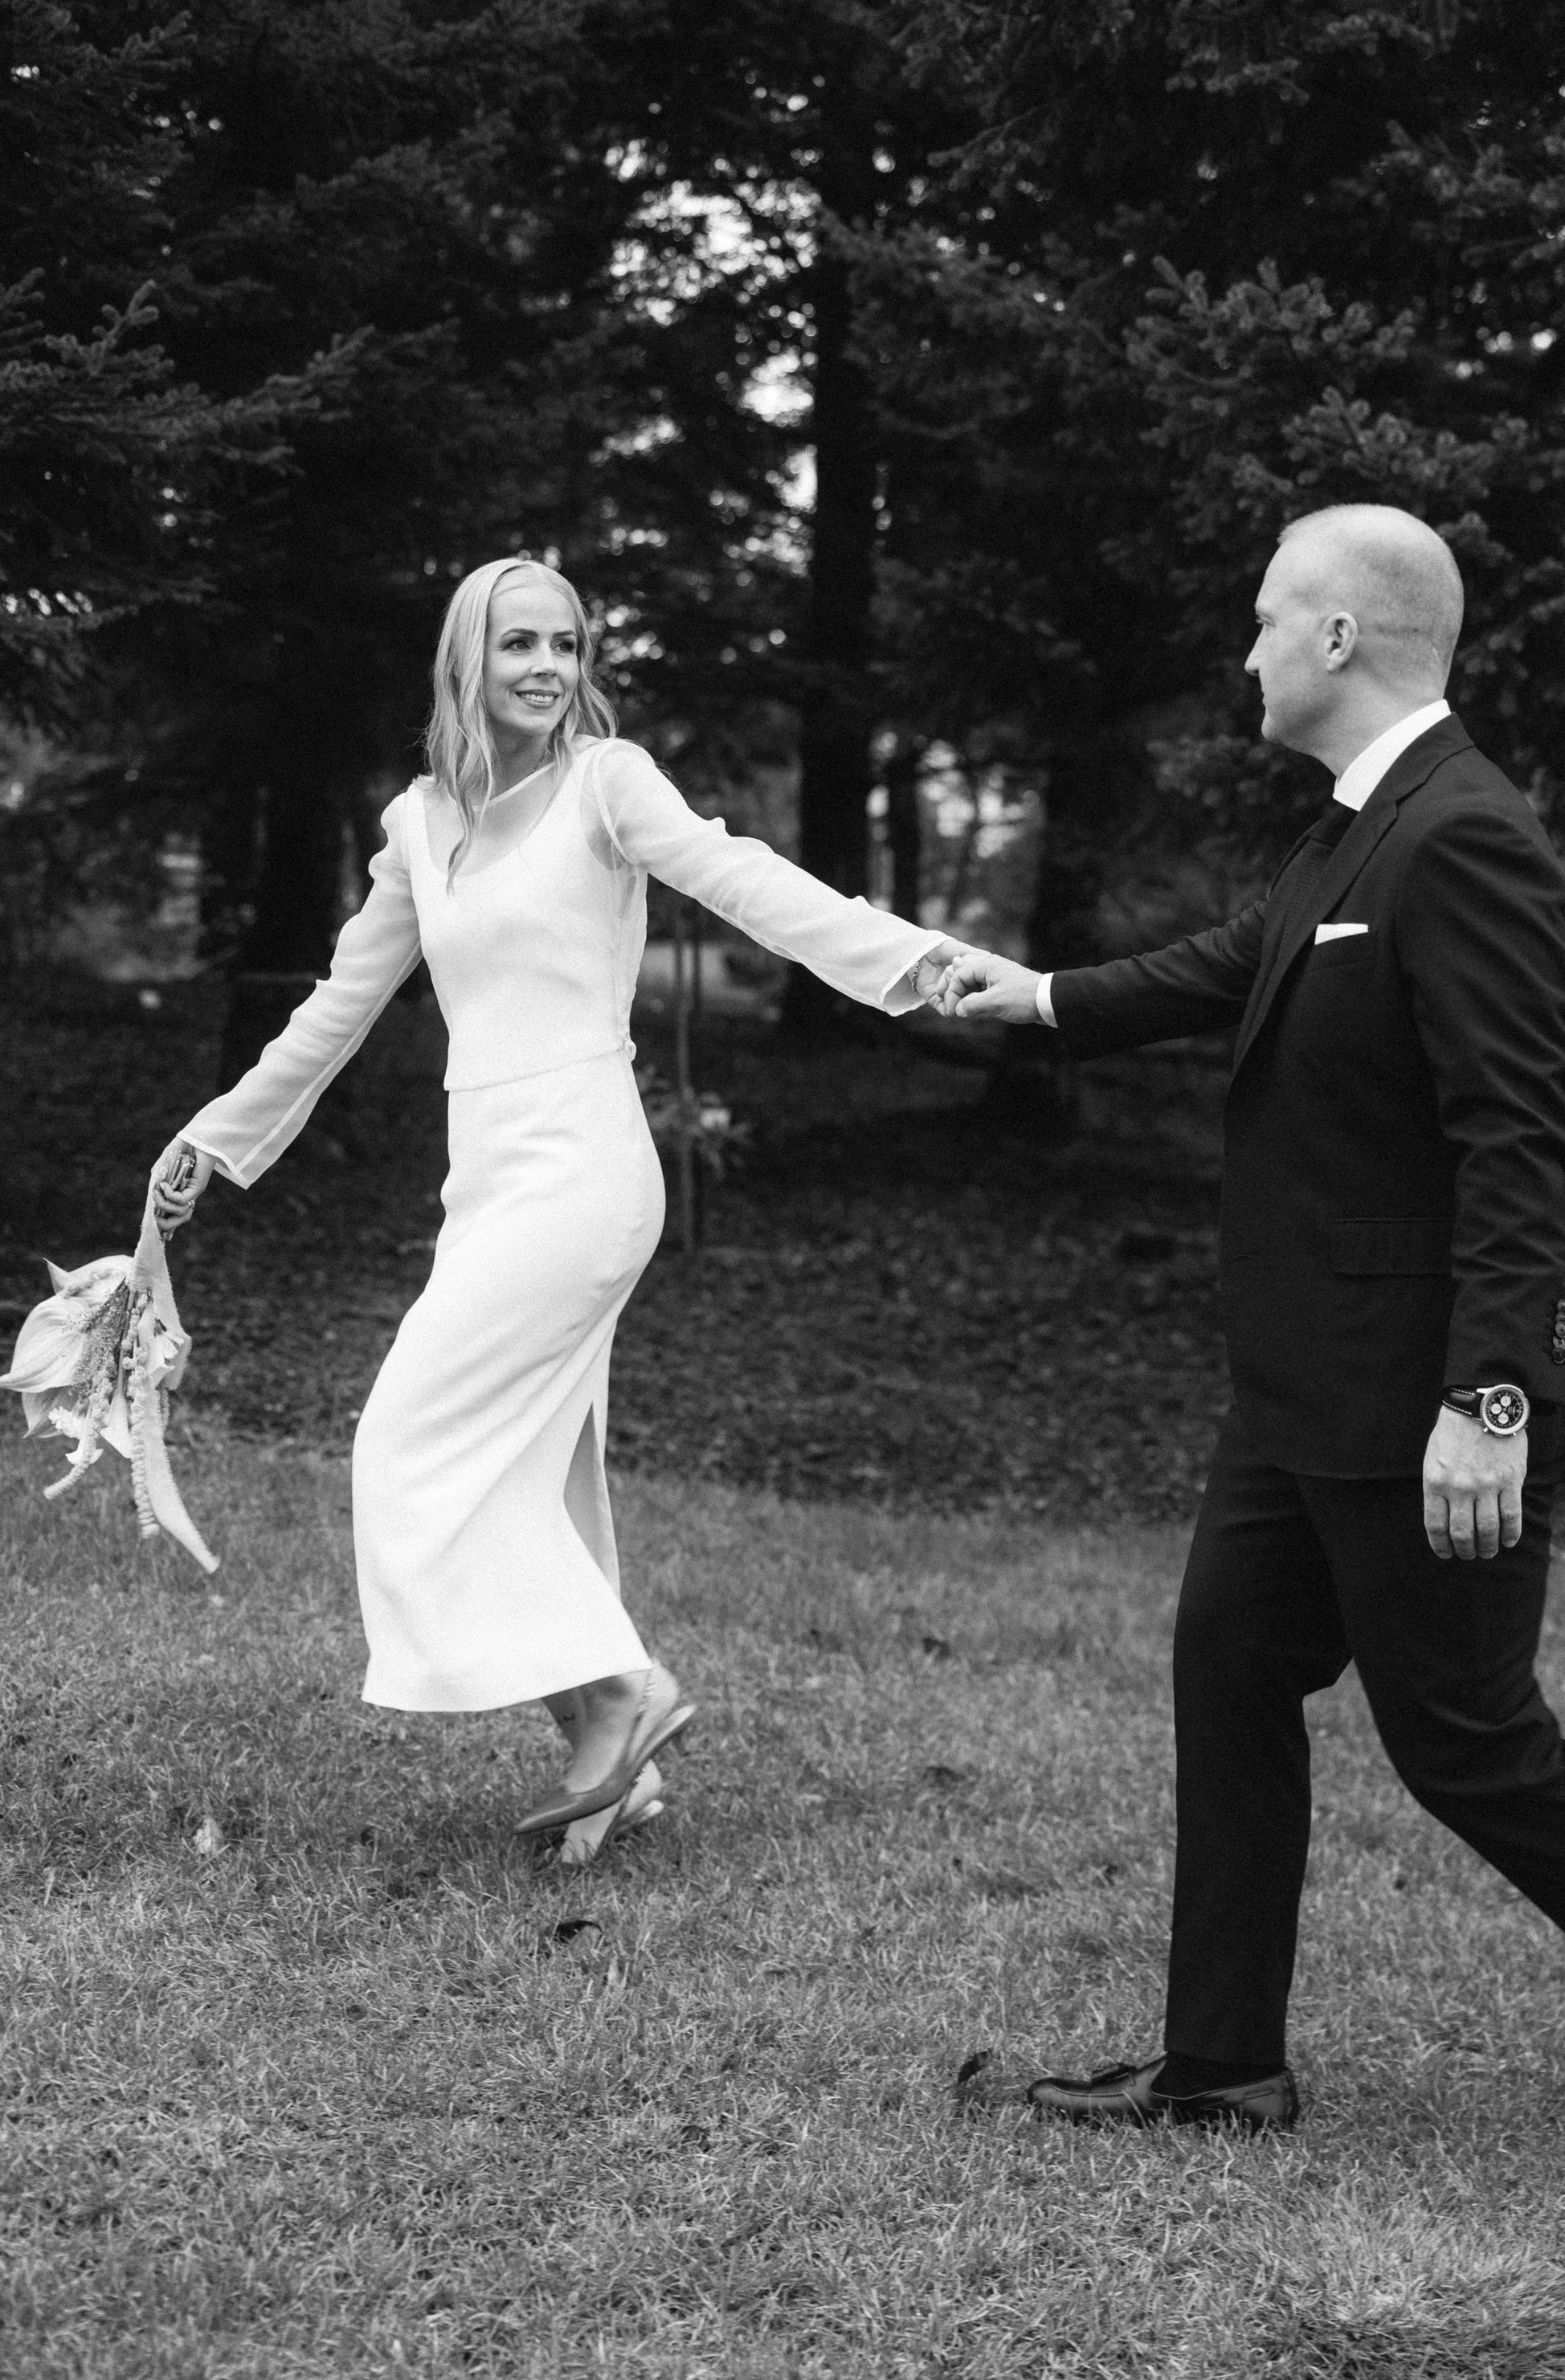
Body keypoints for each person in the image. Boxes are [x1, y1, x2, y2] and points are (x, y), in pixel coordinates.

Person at [935, 504, 1565, 2202]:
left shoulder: (1461, 837)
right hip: (1298, 1387)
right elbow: (1237, 967)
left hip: (1415, 1391)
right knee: (1225, 1661)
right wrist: (1035, 999)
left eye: (1267, 621)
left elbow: (1515, 1140)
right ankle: (1222, 2065)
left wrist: (1487, 1400)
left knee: (1470, 1745)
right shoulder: (1352, 832)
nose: (1247, 650)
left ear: (1338, 639)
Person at [150, 556, 959, 1855]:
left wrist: (914, 960)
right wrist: (214, 1137)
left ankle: (621, 1696)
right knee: (527, 1471)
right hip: (487, 1178)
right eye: (518, 641)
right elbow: (335, 1013)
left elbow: (743, 876)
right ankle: (617, 1764)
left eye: (568, 645)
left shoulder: (607, 780)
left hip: (585, 1164)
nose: (545, 665)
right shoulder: (421, 823)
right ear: (465, 659)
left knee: (404, 1446)